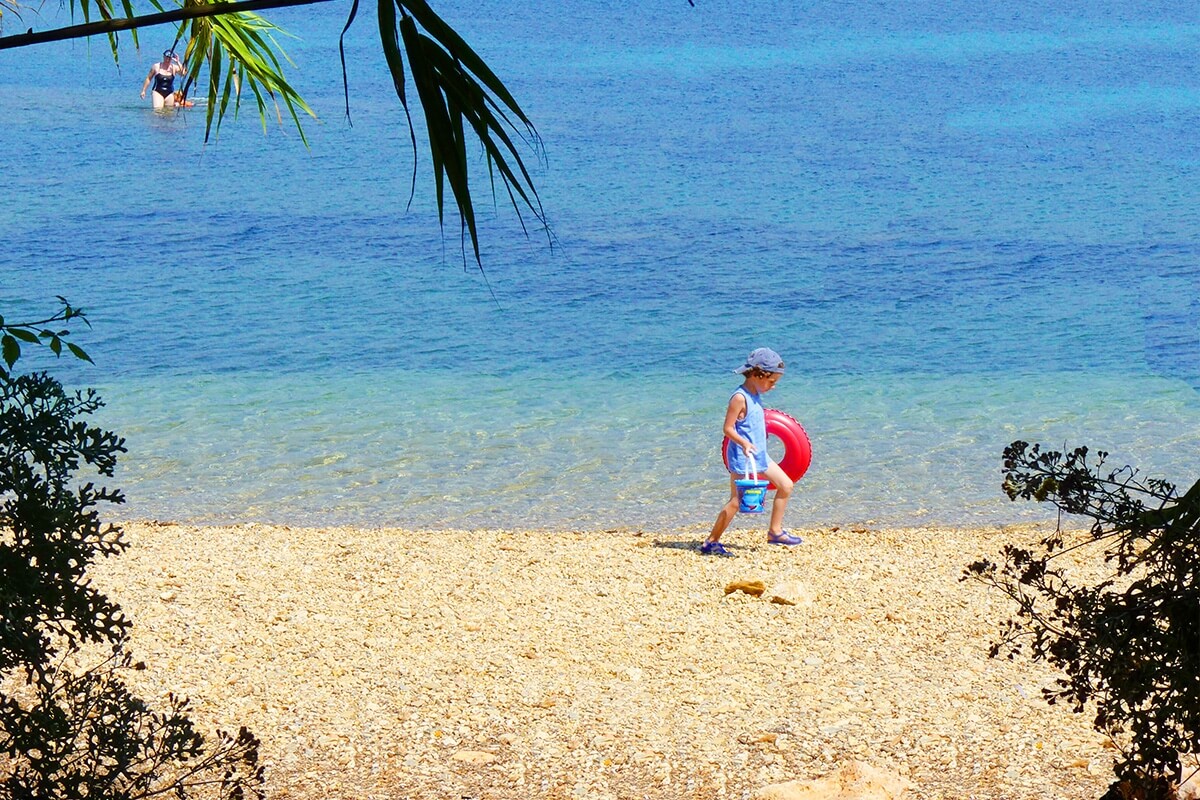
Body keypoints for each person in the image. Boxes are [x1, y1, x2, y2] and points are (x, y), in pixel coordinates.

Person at [700, 347, 801, 556]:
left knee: (786, 485)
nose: (773, 386)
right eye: (771, 381)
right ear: (757, 374)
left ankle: (775, 532)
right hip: (743, 458)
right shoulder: (739, 397)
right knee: (736, 501)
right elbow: (728, 428)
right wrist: (744, 443)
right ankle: (711, 541)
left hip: (760, 455)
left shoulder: (755, 394)